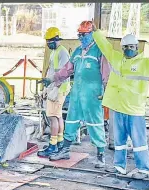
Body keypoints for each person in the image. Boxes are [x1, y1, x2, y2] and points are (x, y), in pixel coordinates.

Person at [92, 27, 149, 178]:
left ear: (137, 47)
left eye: (131, 47)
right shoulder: (116, 58)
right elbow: (105, 47)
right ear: (122, 48)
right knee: (119, 141)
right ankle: (119, 166)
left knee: (139, 142)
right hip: (117, 107)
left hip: (134, 110)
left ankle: (145, 169)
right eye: (125, 47)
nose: (128, 49)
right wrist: (96, 33)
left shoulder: (146, 64)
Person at [42, 21, 110, 168]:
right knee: (71, 122)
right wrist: (52, 79)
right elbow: (67, 69)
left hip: (93, 96)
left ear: (92, 35)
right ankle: (65, 150)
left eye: (84, 35)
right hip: (77, 94)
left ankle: (100, 155)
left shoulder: (99, 52)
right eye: (79, 35)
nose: (81, 38)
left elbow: (106, 74)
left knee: (95, 124)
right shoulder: (78, 52)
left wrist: (106, 93)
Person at [37, 27, 71, 158]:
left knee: (53, 117)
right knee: (58, 116)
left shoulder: (62, 53)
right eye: (47, 41)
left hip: (58, 88)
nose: (48, 43)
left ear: (57, 40)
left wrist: (54, 89)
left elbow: (64, 73)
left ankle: (53, 146)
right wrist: (47, 88)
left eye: (50, 41)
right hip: (54, 87)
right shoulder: (54, 52)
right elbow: (52, 71)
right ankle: (59, 142)